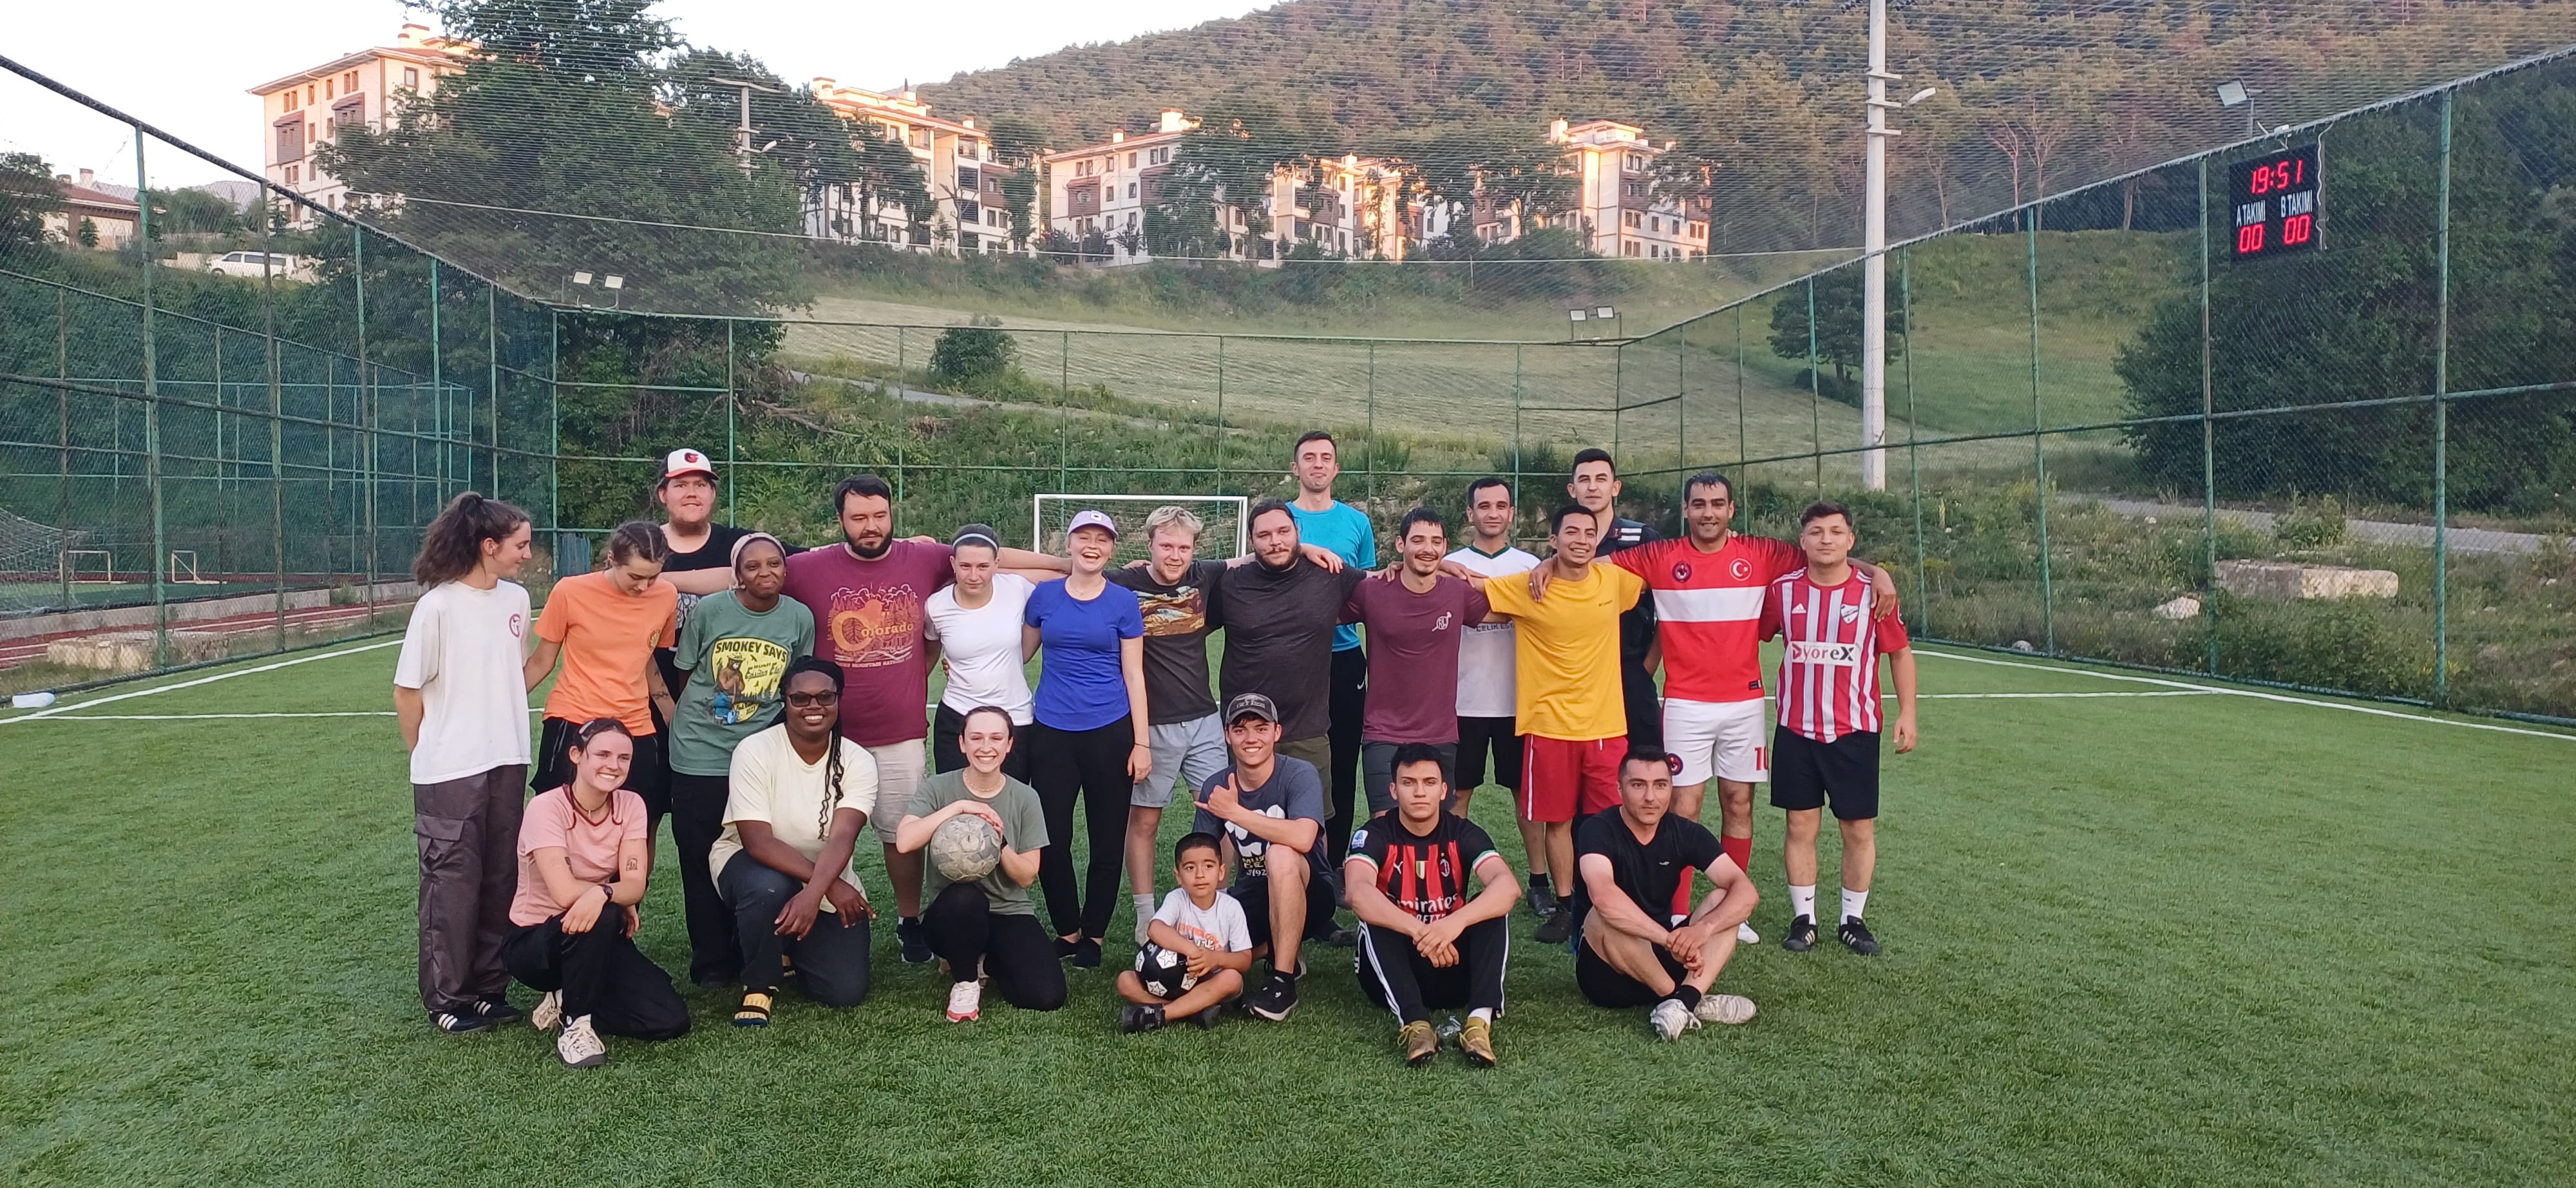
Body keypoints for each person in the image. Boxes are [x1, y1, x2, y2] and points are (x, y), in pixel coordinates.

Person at [1587, 472, 1899, 944]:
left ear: (1731, 510)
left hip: (1744, 704)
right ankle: (1677, 913)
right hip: (1686, 703)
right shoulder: (1659, 555)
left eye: (1717, 504)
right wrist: (1546, 568)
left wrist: (1877, 573)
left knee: (1738, 803)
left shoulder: (1762, 552)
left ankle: (1732, 910)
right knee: (1684, 807)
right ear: (1686, 510)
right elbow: (1589, 563)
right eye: (1698, 504)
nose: (1708, 512)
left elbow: (1826, 555)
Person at [780, 474, 1064, 966]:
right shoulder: (810, 566)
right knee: (814, 831)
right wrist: (661, 576)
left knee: (901, 835)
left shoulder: (925, 557)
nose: (871, 526)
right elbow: (745, 570)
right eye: (858, 518)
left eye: (879, 515)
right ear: (840, 520)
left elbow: (990, 555)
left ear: (892, 512)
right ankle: (813, 915)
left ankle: (910, 921)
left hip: (900, 730)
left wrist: (1069, 563)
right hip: (827, 734)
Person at [1467, 504, 1645, 945]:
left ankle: (1608, 903)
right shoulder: (1528, 587)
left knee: (1613, 821)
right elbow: (1469, 588)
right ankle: (1566, 907)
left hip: (1605, 727)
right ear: (1553, 540)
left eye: (1588, 533)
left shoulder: (1616, 580)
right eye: (1571, 533)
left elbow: (1662, 568)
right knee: (1558, 822)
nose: (1581, 540)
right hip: (1548, 728)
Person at [395, 492, 536, 1034]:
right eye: (521, 545)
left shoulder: (517, 600)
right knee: (451, 883)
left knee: (501, 877)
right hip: (449, 770)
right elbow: (407, 692)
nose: (528, 555)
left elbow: (514, 674)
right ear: (489, 546)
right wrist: (425, 751)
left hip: (509, 758)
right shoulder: (437, 607)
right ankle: (447, 1000)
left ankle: (488, 989)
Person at [1760, 501, 1918, 957]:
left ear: (1851, 540)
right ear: (1803, 540)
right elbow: (1752, 635)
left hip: (1855, 730)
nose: (1825, 539)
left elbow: (1899, 653)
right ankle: (1804, 918)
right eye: (1816, 532)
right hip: (1796, 728)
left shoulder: (1874, 593)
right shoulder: (1782, 591)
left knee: (1857, 828)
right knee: (1800, 824)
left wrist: (1908, 713)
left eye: (1835, 532)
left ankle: (1853, 920)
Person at [664, 532, 813, 988]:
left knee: (764, 852)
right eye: (753, 566)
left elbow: (797, 683)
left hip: (760, 756)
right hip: (700, 753)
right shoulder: (711, 611)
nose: (765, 573)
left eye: (774, 564)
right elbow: (686, 673)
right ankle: (712, 960)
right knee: (700, 854)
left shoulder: (799, 617)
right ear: (737, 574)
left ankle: (763, 948)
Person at [503, 718, 690, 1068]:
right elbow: (564, 893)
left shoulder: (631, 804)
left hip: (598, 936)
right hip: (535, 942)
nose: (613, 765)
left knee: (669, 1020)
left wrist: (607, 893)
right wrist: (610, 896)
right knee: (604, 913)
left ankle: (567, 998)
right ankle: (576, 1026)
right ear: (577, 755)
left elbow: (635, 884)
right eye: (602, 754)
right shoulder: (546, 807)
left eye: (624, 758)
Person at [711, 658, 880, 1026]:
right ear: (785, 702)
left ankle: (785, 945)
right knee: (770, 887)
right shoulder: (754, 751)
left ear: (838, 700)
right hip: (751, 864)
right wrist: (826, 887)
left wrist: (816, 891)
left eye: (825, 697)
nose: (813, 707)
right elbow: (757, 841)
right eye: (800, 698)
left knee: (844, 991)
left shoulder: (858, 760)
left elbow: (843, 837)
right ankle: (759, 983)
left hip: (823, 874)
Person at [1021, 510, 1150, 967]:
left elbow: (1134, 674)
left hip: (1110, 731)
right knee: (1051, 838)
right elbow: (1019, 654)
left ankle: (1093, 935)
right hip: (1051, 731)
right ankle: (1067, 930)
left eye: (1102, 539)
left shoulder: (1123, 602)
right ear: (1070, 544)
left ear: (1112, 548)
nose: (1092, 546)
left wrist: (1141, 743)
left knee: (1106, 838)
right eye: (1084, 537)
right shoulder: (1045, 595)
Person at [1105, 505, 1232, 943]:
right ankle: (1146, 916)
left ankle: (1217, 910)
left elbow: (1251, 558)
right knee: (1145, 821)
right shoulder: (1125, 582)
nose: (1175, 555)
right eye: (1166, 546)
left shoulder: (1204, 575)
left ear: (1194, 549)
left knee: (1219, 814)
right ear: (1150, 545)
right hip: (1151, 726)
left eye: (1183, 547)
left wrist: (1306, 548)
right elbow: (1068, 571)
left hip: (1204, 720)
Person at [1347, 745, 1518, 1066]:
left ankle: (1478, 1025)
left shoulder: (1463, 832)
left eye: (1429, 783)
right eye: (1409, 783)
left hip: (1454, 967)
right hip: (1391, 972)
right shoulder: (1374, 834)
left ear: (1443, 791)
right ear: (1393, 790)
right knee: (1375, 912)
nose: (1419, 792)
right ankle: (1416, 1026)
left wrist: (1453, 924)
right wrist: (1422, 931)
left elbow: (1508, 887)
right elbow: (1357, 892)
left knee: (1492, 908)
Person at [1573, 749, 1761, 1042]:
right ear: (1620, 789)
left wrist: (1703, 929)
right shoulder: (1597, 829)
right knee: (1601, 915)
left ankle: (1683, 1001)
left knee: (1726, 899)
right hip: (1608, 972)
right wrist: (1669, 939)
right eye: (1638, 785)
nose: (1650, 797)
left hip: (1664, 957)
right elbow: (1604, 896)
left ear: (1671, 789)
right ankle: (1683, 1000)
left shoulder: (1684, 832)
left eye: (1660, 785)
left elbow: (1745, 891)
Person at [1213, 501, 1364, 850]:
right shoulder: (1229, 583)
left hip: (1307, 727)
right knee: (1239, 822)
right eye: (1264, 535)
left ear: (1298, 532)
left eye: (1283, 532)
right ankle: (1241, 886)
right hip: (1247, 728)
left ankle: (1318, 883)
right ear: (1251, 541)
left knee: (1313, 826)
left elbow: (1390, 585)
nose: (1275, 541)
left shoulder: (1330, 574)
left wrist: (1442, 565)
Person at [898, 705, 1063, 1021]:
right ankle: (966, 981)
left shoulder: (1025, 798)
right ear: (962, 743)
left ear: (1009, 744)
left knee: (1046, 995)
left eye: (996, 738)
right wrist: (959, 808)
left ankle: (983, 961)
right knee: (965, 897)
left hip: (1007, 911)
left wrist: (999, 842)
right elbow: (905, 842)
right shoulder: (939, 788)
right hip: (951, 915)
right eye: (976, 738)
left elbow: (1027, 877)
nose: (986, 747)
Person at [1445, 477, 1551, 920]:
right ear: (1470, 514)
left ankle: (1540, 882)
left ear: (1511, 513)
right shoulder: (1449, 564)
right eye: (1483, 506)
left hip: (1518, 702)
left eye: (1501, 505)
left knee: (1526, 797)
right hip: (1461, 702)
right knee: (1457, 797)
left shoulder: (1532, 566)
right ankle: (1452, 883)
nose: (1492, 513)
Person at [524, 521, 678, 823]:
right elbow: (542, 662)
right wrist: (500, 708)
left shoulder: (666, 595)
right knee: (560, 819)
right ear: (612, 560)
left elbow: (646, 656)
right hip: (574, 718)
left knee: (636, 820)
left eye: (653, 577)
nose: (644, 587)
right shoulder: (570, 591)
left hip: (636, 725)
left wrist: (670, 710)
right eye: (635, 576)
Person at [1191, 693, 1333, 1022]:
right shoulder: (1217, 785)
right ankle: (1272, 955)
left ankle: (1283, 982)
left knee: (1281, 853)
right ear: (1227, 735)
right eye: (1240, 730)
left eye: (1261, 728)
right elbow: (1200, 857)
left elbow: (1304, 837)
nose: (1251, 738)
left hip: (1311, 890)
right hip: (1252, 893)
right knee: (1204, 959)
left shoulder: (1298, 773)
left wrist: (1234, 813)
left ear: (1277, 732)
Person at [1344, 508, 1488, 817]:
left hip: (1440, 733)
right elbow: (1320, 607)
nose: (1428, 548)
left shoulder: (1457, 592)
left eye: (1436, 542)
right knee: (1386, 826)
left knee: (1437, 829)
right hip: (1383, 732)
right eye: (1418, 540)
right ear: (1401, 544)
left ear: (1445, 547)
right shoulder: (1373, 590)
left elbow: (1508, 604)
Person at [1285, 431, 1379, 870]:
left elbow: (1368, 591)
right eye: (1309, 457)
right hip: (1290, 658)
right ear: (1296, 467)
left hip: (1343, 659)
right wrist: (1301, 546)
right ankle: (1281, 854)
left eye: (1326, 458)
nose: (1318, 464)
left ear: (1336, 469)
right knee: (1285, 756)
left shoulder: (1357, 523)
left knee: (1342, 762)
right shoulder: (1280, 519)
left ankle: (1334, 863)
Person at [1566, 449, 1664, 751]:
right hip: (1579, 679)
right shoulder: (1564, 543)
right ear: (1572, 489)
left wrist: (1646, 668)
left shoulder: (1643, 538)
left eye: (1601, 479)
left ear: (1615, 487)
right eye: (1584, 480)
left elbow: (1670, 609)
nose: (1592, 487)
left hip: (1632, 673)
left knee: (1644, 766)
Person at [925, 525, 1036, 782]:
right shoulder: (936, 606)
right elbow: (929, 655)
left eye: (983, 567)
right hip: (957, 718)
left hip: (1015, 718)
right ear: (953, 564)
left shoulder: (1017, 588)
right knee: (956, 801)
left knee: (1009, 801)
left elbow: (1068, 585)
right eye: (965, 566)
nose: (974, 576)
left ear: (997, 564)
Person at [1115, 832, 1254, 1033]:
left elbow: (1244, 960)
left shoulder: (1231, 908)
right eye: (1190, 868)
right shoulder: (1177, 899)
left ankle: (1160, 1014)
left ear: (1221, 872)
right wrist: (1192, 951)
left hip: (1212, 981)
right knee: (1125, 981)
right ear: (1178, 876)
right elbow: (1155, 928)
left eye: (1209, 866)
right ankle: (1193, 1011)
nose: (1200, 875)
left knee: (1232, 978)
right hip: (1172, 981)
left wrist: (1214, 959)